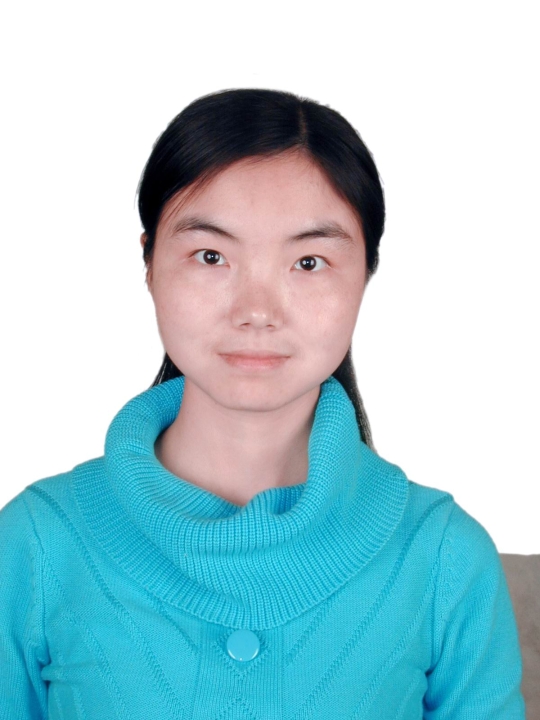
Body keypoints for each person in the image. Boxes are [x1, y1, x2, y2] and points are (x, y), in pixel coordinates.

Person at [0, 88, 526, 719]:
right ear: (149, 263)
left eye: (309, 261)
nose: (256, 311)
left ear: (366, 274)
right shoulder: (36, 544)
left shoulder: (443, 557)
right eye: (211, 256)